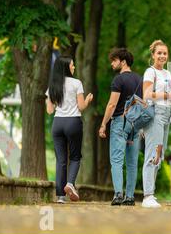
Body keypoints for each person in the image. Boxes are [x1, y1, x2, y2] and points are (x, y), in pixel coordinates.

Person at [141, 40, 171, 208]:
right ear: (153, 55)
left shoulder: (167, 74)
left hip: (167, 114)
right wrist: (168, 95)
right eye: (159, 53)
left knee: (160, 155)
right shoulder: (150, 71)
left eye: (165, 53)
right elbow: (146, 94)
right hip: (155, 114)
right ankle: (148, 196)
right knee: (152, 153)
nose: (162, 56)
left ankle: (150, 193)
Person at [46, 56, 93, 204]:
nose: (74, 67)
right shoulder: (76, 83)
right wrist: (88, 101)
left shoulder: (53, 85)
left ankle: (60, 196)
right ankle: (70, 184)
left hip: (57, 123)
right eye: (72, 65)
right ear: (66, 67)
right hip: (73, 122)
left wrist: (49, 99)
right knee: (75, 157)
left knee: (61, 160)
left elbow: (49, 110)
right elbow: (81, 107)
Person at [98, 48, 142, 206]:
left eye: (114, 60)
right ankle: (130, 197)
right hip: (136, 124)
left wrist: (103, 124)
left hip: (120, 122)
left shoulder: (118, 80)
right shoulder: (140, 80)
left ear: (123, 62)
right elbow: (143, 104)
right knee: (132, 162)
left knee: (116, 160)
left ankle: (118, 194)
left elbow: (111, 104)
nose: (112, 63)